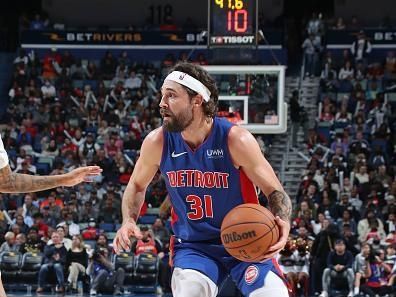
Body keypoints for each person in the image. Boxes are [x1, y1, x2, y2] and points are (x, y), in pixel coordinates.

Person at [113, 62, 292, 297]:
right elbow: (136, 185)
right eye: (161, 95)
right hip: (194, 247)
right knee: (191, 292)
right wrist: (129, 220)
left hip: (248, 237)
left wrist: (283, 220)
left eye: (171, 96)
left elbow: (274, 191)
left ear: (197, 100)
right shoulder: (157, 142)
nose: (161, 103)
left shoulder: (236, 140)